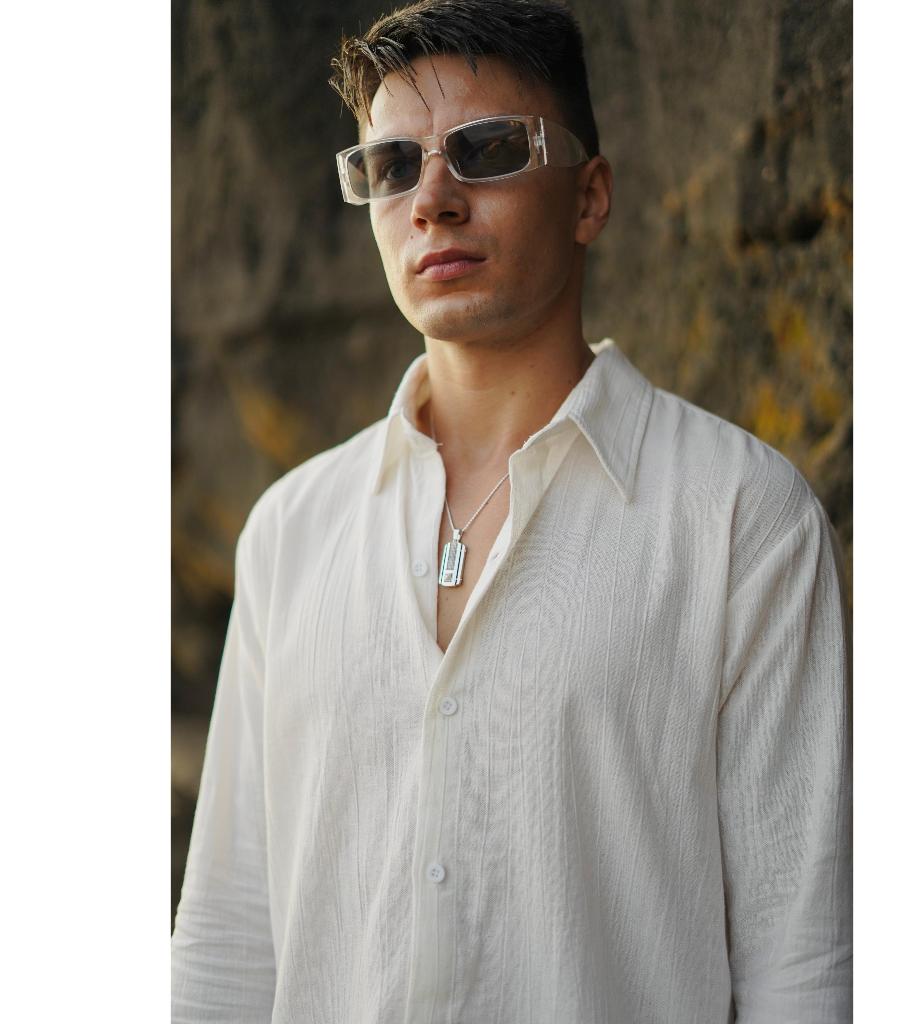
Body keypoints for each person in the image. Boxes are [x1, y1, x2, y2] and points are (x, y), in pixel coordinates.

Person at [170, 1, 852, 1021]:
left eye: (486, 150)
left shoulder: (740, 518)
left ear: (590, 195)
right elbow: (227, 939)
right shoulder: (289, 531)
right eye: (392, 165)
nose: (432, 200)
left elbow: (800, 964)